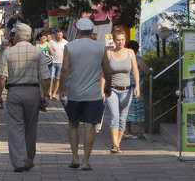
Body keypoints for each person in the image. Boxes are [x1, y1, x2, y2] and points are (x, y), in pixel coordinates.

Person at [0, 22, 50, 172]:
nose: (12, 37)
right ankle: (29, 159)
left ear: (18, 35)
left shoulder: (8, 52)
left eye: (14, 34)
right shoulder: (38, 52)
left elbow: (1, 77)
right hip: (33, 92)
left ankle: (19, 161)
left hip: (14, 92)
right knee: (30, 127)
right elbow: (45, 77)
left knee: (15, 127)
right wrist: (46, 94)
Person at [59, 17, 112, 170]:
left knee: (73, 123)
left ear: (78, 30)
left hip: (74, 92)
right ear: (92, 31)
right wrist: (108, 85)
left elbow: (64, 69)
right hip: (93, 93)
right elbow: (107, 70)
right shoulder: (100, 47)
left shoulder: (70, 46)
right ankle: (86, 162)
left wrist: (62, 88)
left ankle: (75, 158)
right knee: (90, 126)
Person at [104, 26, 141, 154]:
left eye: (122, 39)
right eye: (118, 40)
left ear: (125, 40)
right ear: (114, 40)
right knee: (114, 116)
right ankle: (114, 144)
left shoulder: (130, 52)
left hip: (127, 90)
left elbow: (135, 70)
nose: (120, 42)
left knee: (122, 117)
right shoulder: (109, 53)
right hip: (112, 89)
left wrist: (137, 85)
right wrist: (101, 89)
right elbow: (104, 73)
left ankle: (118, 144)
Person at [124, 39, 150, 138]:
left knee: (126, 108)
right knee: (135, 109)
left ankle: (127, 130)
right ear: (137, 49)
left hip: (124, 86)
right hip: (136, 88)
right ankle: (133, 130)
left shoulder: (124, 58)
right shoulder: (138, 59)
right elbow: (146, 71)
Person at [47, 26, 68, 101]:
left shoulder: (65, 42)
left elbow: (67, 53)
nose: (59, 36)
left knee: (57, 79)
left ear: (62, 34)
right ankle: (49, 92)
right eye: (58, 35)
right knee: (51, 78)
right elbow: (48, 52)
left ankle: (54, 94)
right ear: (55, 35)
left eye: (60, 35)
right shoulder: (51, 42)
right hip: (53, 62)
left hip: (61, 62)